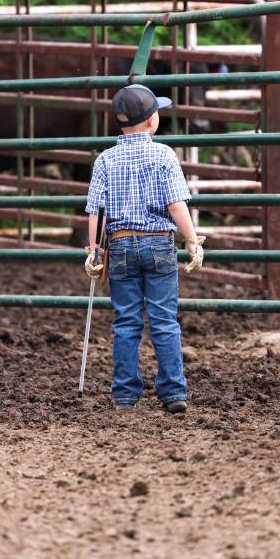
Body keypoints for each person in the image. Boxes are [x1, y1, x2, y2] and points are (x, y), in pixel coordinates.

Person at [83, 84, 205, 414]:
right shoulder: (164, 155)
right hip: (159, 244)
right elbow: (176, 205)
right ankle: (172, 392)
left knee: (126, 322)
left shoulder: (105, 160)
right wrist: (192, 240)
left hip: (120, 244)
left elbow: (96, 210)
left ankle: (124, 394)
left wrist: (94, 250)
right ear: (152, 121)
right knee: (164, 320)